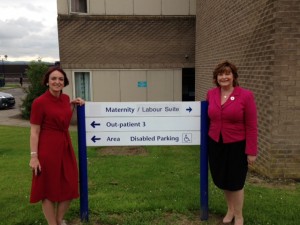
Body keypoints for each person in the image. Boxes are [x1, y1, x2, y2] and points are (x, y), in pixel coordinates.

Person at [29, 66, 85, 225]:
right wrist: (34, 157)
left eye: (60, 79)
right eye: (53, 78)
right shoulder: (39, 102)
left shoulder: (66, 99)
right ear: (47, 81)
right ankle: (52, 223)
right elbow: (34, 131)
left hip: (65, 146)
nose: (57, 82)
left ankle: (60, 219)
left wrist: (75, 103)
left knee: (70, 183)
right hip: (47, 149)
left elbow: (62, 113)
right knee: (47, 188)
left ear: (64, 82)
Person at [206, 61, 258, 225]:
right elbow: (209, 119)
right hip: (216, 143)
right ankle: (230, 210)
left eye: (227, 73)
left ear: (234, 76)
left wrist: (251, 151)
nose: (224, 77)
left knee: (236, 181)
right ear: (216, 78)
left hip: (237, 145)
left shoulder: (245, 95)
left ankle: (239, 215)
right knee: (223, 180)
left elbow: (251, 125)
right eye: (220, 74)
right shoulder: (211, 94)